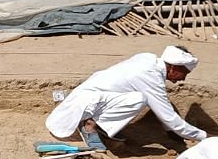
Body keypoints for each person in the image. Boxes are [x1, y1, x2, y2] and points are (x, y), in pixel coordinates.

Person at [46, 45, 207, 150]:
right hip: (86, 103)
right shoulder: (150, 76)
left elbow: (162, 104)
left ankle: (99, 124)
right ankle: (91, 126)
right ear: (173, 67)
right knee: (139, 99)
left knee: (140, 96)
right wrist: (204, 137)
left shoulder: (148, 58)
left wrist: (171, 132)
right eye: (184, 73)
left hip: (89, 97)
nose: (183, 79)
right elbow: (168, 116)